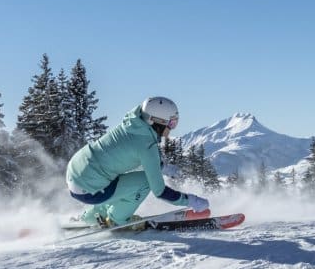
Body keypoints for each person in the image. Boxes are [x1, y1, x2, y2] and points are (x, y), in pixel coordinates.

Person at [66, 96, 210, 230]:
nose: (172, 128)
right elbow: (159, 191)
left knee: (118, 183)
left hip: (76, 172)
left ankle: (91, 216)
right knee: (145, 182)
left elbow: (132, 150)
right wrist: (191, 200)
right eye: (172, 123)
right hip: (90, 189)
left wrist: (161, 167)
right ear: (157, 122)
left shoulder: (132, 124)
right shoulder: (147, 146)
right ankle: (118, 219)